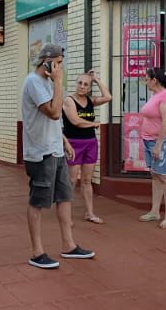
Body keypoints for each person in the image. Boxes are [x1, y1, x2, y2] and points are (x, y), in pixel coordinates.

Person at [20, 44, 95, 268]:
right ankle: (37, 252)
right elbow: (53, 113)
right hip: (40, 152)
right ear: (47, 62)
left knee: (64, 197)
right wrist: (59, 82)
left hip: (56, 149)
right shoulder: (34, 82)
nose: (61, 68)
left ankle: (68, 245)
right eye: (59, 63)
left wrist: (64, 141)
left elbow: (55, 122)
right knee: (38, 201)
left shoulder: (48, 83)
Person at [63, 70, 112, 224]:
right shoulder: (69, 100)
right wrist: (93, 124)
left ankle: (89, 213)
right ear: (76, 84)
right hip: (74, 143)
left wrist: (96, 79)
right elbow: (75, 121)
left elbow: (108, 97)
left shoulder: (90, 101)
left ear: (89, 88)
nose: (82, 86)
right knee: (72, 180)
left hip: (90, 143)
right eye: (80, 83)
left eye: (86, 84)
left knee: (86, 180)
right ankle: (66, 215)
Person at [137, 67, 166, 229]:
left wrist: (158, 144)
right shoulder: (155, 95)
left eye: (146, 79)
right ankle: (155, 211)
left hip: (163, 142)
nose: (145, 82)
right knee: (155, 176)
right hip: (149, 141)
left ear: (154, 80)